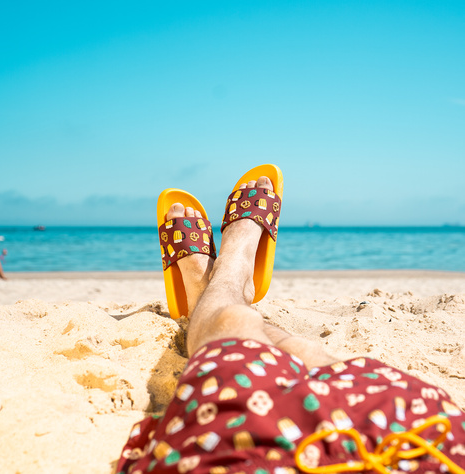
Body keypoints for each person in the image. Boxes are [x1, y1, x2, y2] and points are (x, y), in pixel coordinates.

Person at [117, 168, 465, 474]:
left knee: (232, 328)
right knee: (310, 355)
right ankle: (223, 289)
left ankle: (224, 277)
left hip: (261, 454)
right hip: (422, 443)